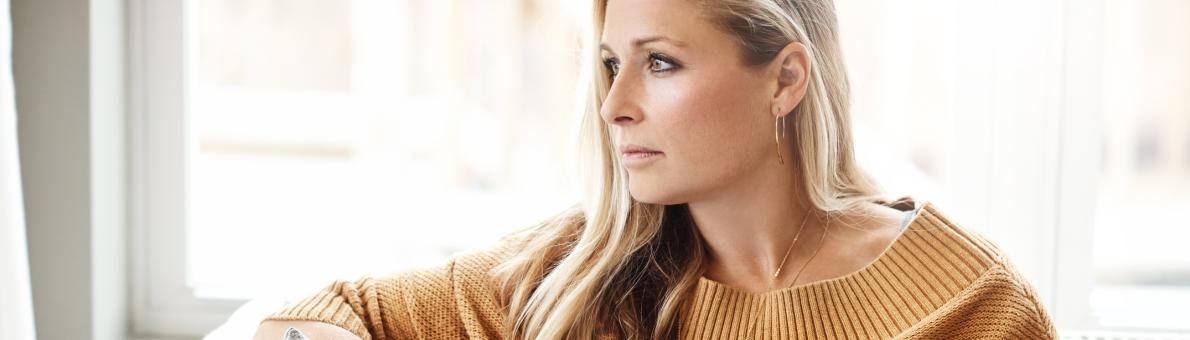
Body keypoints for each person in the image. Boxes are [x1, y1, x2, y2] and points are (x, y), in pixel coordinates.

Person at [253, 0, 1058, 338]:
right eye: (609, 65)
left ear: (785, 79)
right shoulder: (574, 276)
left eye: (661, 64)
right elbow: (331, 309)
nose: (615, 107)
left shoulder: (970, 303)